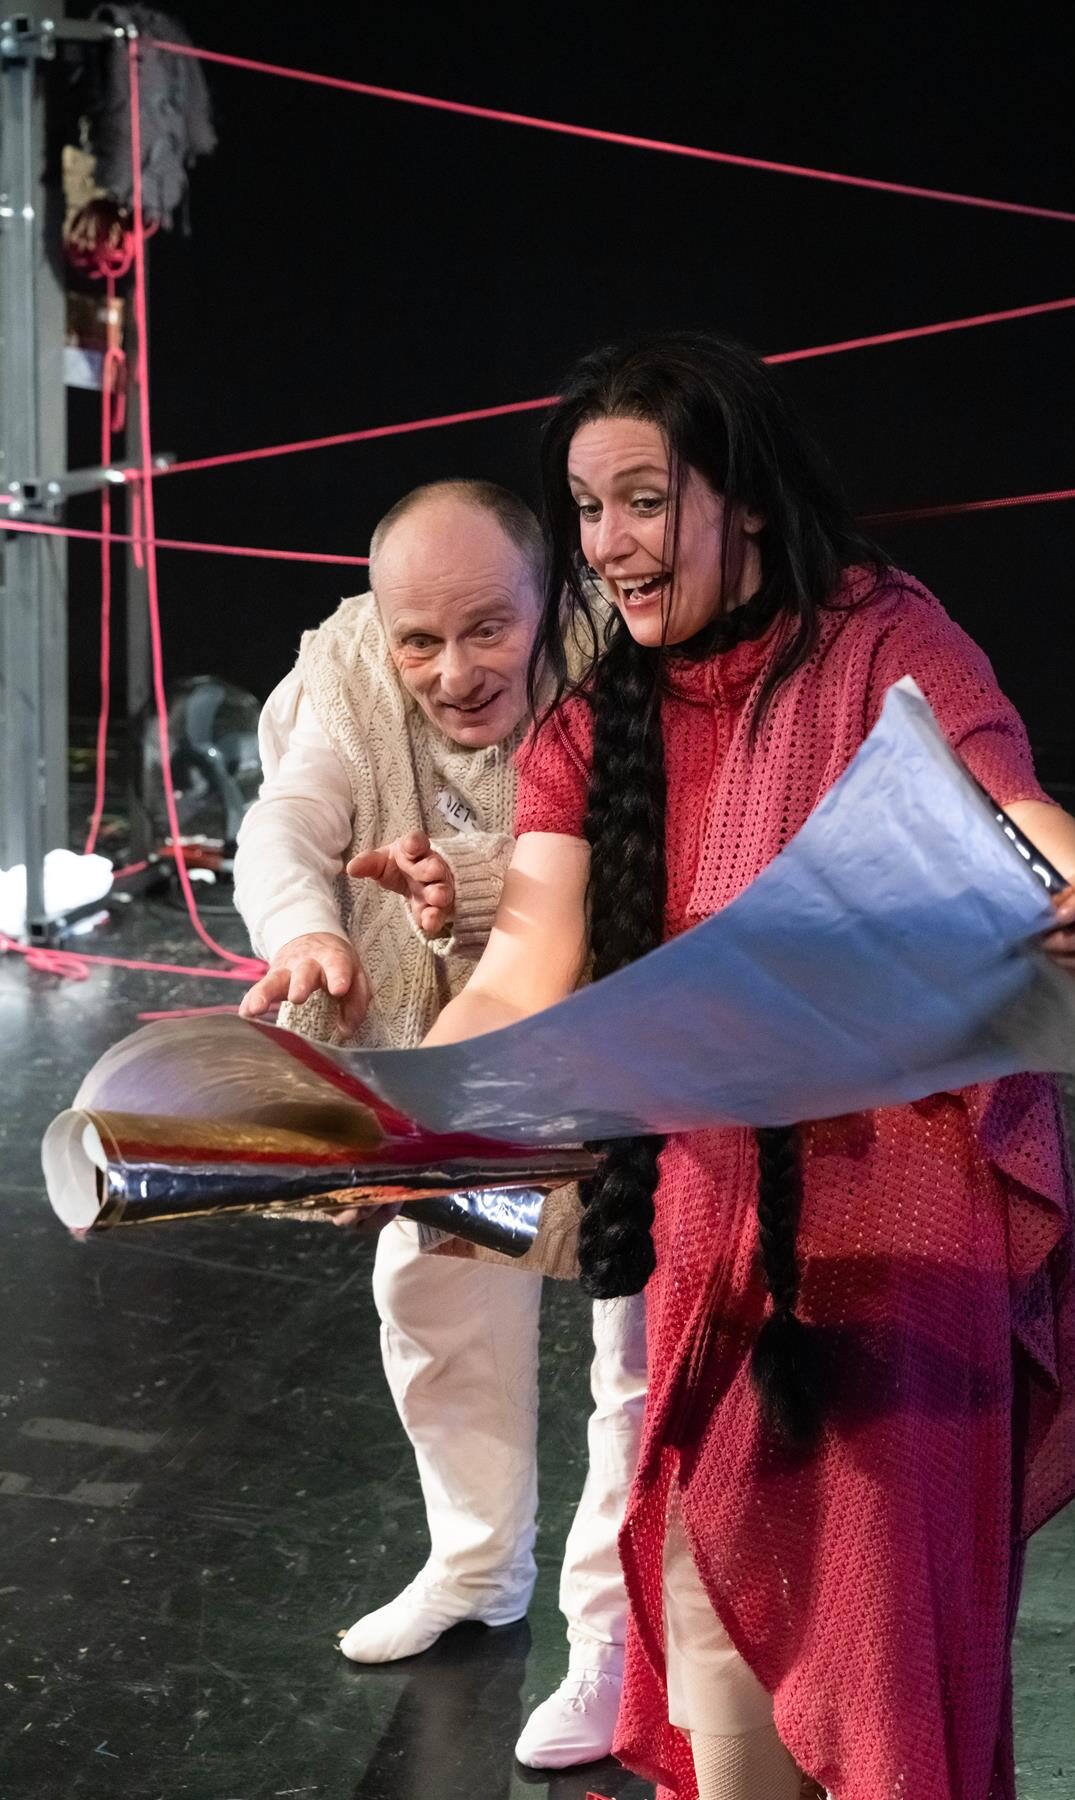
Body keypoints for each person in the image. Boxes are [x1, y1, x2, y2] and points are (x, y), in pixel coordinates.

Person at [419, 336, 1075, 1800]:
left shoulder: (881, 636)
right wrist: (403, 1114)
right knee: (714, 1625)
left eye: (644, 501)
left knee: (879, 1656)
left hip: (910, 1213)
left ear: (744, 498)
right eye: (587, 510)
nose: (608, 544)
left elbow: (1009, 804)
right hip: (720, 1220)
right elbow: (519, 969)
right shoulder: (594, 720)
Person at [233, 479, 643, 1770]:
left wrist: (468, 882)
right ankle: (476, 1567)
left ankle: (609, 1642)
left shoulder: (619, 655)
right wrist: (305, 929)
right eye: (422, 638)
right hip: (450, 1038)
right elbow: (291, 818)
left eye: (487, 631)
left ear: (547, 600)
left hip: (618, 1030)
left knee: (636, 1346)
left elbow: (650, 856)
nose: (454, 673)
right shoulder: (350, 662)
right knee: (434, 1300)